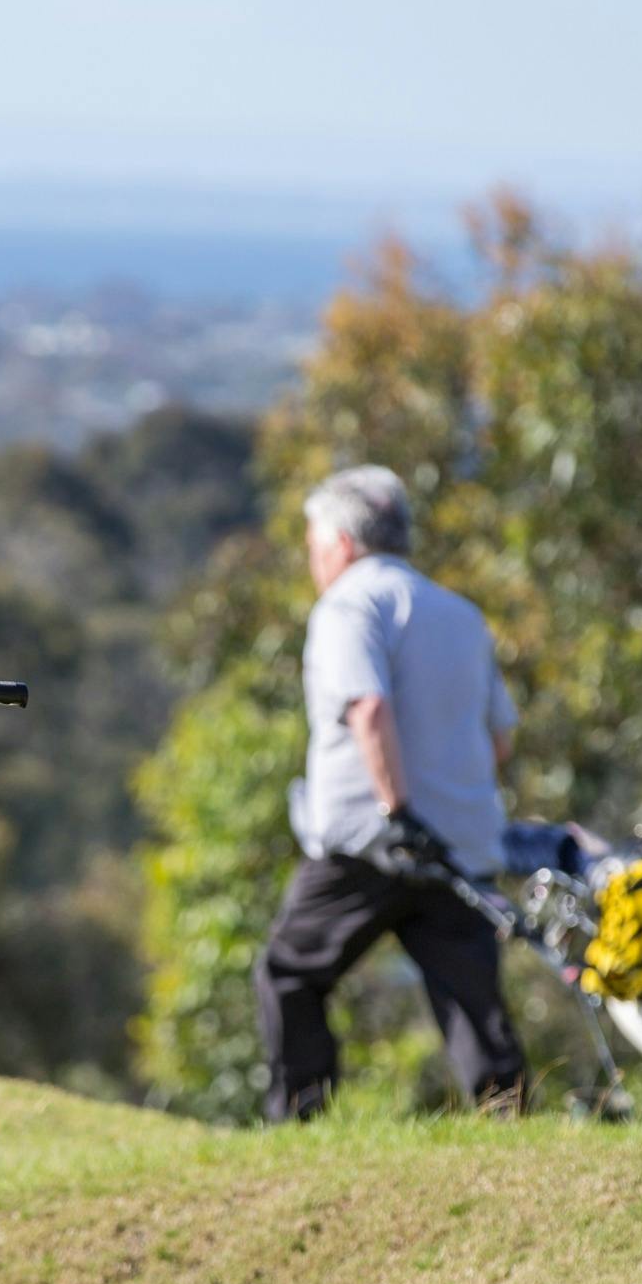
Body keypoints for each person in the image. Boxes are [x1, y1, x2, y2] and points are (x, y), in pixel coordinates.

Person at [255, 466, 529, 1121]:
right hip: (457, 843)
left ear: (343, 544)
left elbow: (369, 707)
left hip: (371, 839)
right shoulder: (461, 614)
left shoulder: (349, 604)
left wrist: (398, 809)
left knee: (289, 971)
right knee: (472, 1000)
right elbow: (500, 739)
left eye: (315, 546)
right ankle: (510, 1123)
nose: (314, 562)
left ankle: (299, 1121)